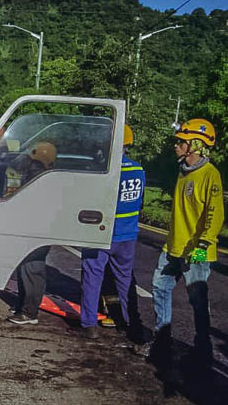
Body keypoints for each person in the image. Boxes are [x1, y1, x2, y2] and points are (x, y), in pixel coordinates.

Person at [146, 118, 225, 370]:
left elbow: (215, 214)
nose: (176, 146)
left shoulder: (210, 175)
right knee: (159, 287)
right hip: (173, 248)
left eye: (181, 142)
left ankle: (203, 351)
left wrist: (203, 244)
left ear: (195, 145)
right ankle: (161, 342)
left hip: (199, 251)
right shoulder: (183, 171)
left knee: (198, 299)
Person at [78, 125, 147, 342]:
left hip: (102, 233)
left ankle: (89, 324)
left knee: (92, 276)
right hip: (127, 234)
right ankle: (130, 322)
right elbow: (140, 202)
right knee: (124, 279)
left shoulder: (103, 171)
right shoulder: (138, 170)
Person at [4, 142, 57, 325]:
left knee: (32, 268)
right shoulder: (50, 174)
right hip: (41, 227)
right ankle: (22, 306)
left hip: (34, 228)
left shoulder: (36, 173)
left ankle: (28, 312)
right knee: (27, 267)